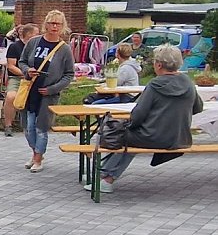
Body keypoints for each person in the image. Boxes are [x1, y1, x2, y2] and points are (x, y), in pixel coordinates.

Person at [85, 44, 204, 193]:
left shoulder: (155, 85)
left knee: (116, 134)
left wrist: (130, 124)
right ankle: (106, 178)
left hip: (153, 136)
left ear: (159, 65)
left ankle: (102, 175)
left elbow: (138, 115)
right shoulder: (188, 83)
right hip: (179, 138)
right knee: (130, 139)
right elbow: (198, 107)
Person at [18, 10, 75, 173]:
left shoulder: (64, 49)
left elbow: (69, 74)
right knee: (28, 127)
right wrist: (28, 70)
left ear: (62, 26)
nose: (54, 26)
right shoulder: (34, 42)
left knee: (41, 128)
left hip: (48, 95)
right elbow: (22, 61)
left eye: (58, 23)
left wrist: (52, 89)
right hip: (30, 90)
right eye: (52, 23)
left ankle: (38, 158)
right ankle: (36, 153)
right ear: (46, 24)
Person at [3, 23, 40, 136]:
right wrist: (26, 74)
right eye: (36, 34)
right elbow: (11, 66)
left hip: (36, 78)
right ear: (28, 34)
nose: (39, 36)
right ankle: (8, 125)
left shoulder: (38, 48)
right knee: (11, 97)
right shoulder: (15, 47)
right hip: (17, 78)